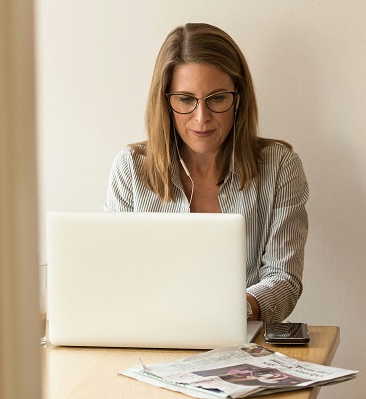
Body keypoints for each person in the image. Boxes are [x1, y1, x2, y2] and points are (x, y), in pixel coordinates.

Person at [104, 23, 308, 324]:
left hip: (242, 344)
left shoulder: (280, 166)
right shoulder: (131, 168)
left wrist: (230, 311)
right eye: (186, 100)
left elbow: (284, 280)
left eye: (216, 98)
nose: (202, 118)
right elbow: (114, 278)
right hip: (149, 339)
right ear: (166, 102)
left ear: (238, 97)